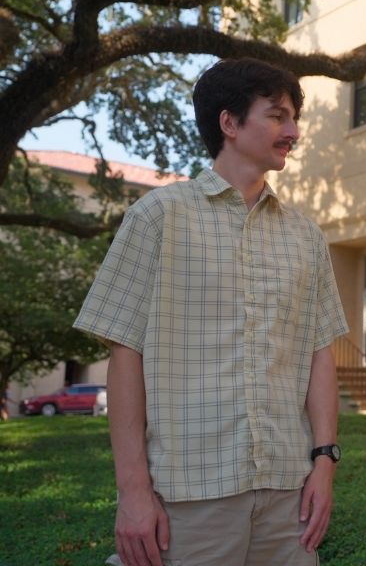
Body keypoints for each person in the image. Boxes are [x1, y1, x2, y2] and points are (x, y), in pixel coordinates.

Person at [74, 58, 348, 566]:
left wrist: (324, 463)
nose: (293, 131)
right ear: (229, 123)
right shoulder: (158, 217)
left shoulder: (306, 236)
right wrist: (133, 492)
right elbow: (124, 353)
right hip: (190, 496)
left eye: (294, 118)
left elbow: (319, 355)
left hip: (289, 494)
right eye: (278, 116)